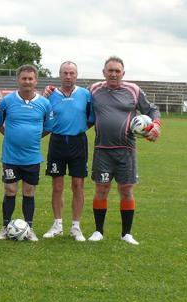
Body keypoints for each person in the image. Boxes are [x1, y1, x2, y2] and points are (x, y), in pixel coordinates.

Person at [87, 56, 161, 245]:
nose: (113, 74)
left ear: (123, 73)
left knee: (126, 190)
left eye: (117, 71)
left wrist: (156, 126)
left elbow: (152, 110)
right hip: (102, 150)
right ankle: (98, 231)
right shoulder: (94, 90)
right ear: (104, 72)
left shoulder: (133, 90)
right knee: (101, 189)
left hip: (126, 150)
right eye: (110, 70)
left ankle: (126, 233)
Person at [0, 64, 53, 242]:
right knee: (10, 189)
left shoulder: (44, 103)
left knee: (29, 192)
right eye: (24, 78)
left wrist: (33, 138)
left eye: (30, 78)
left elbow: (48, 127)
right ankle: (5, 227)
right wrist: (11, 136)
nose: (27, 81)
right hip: (11, 156)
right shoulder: (7, 101)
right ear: (18, 80)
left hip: (32, 156)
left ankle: (29, 228)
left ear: (36, 81)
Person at [41, 62, 93, 242]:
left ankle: (76, 227)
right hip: (57, 142)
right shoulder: (50, 95)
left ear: (76, 75)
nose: (68, 76)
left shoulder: (86, 95)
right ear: (60, 74)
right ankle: (57, 225)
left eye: (72, 73)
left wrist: (77, 129)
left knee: (78, 184)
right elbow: (43, 117)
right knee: (57, 186)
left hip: (78, 142)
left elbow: (91, 119)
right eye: (65, 73)